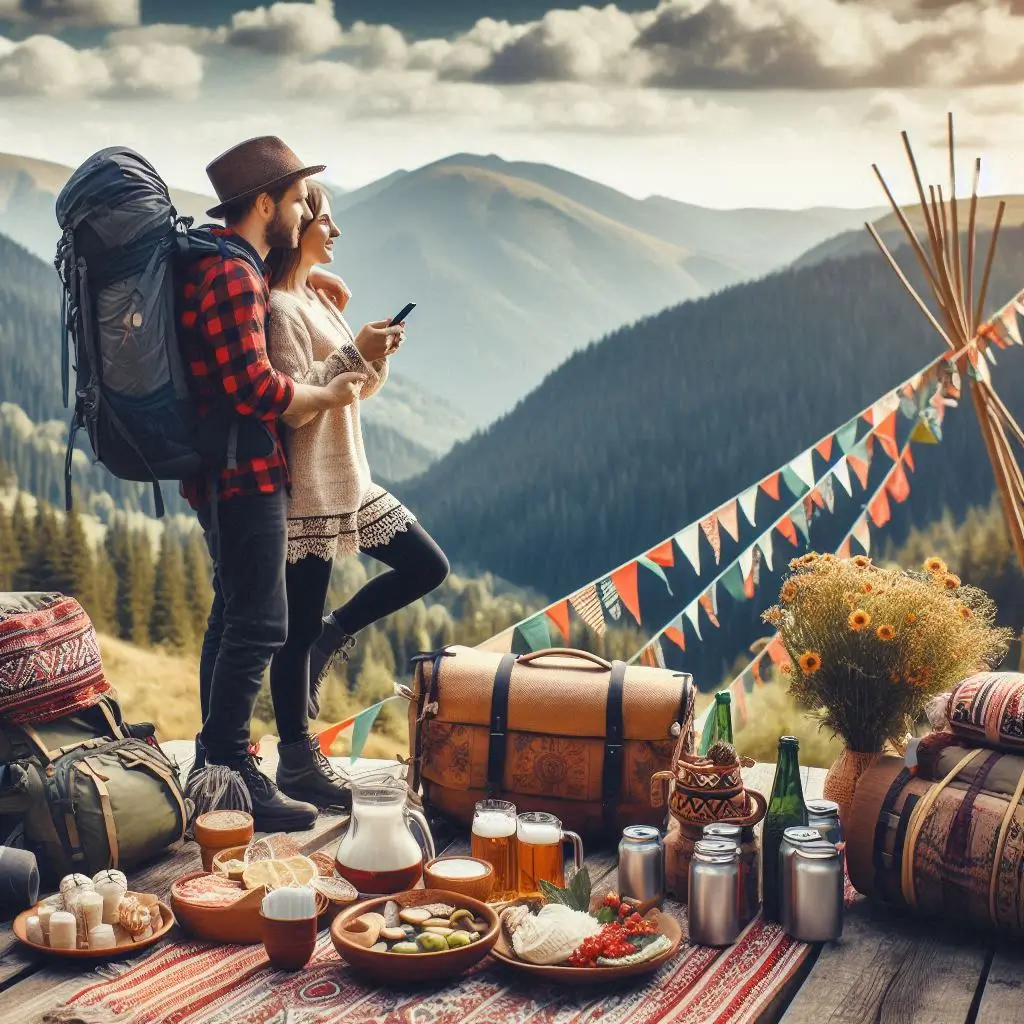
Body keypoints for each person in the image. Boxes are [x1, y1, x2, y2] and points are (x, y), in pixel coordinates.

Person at [179, 137, 364, 832]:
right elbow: (254, 389)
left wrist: (312, 286)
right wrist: (328, 394)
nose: (301, 211)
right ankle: (229, 769)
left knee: (233, 615)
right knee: (260, 622)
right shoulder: (231, 275)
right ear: (263, 203)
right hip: (242, 472)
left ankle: (216, 769)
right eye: (294, 200)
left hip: (226, 469)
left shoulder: (233, 268)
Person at [265, 184, 450, 798]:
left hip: (352, 478)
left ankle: (335, 630)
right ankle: (296, 760)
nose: (336, 230)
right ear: (299, 230)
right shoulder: (280, 309)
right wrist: (354, 351)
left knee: (428, 564)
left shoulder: (317, 298)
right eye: (325, 219)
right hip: (311, 490)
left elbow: (354, 388)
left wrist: (375, 353)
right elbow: (293, 399)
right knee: (292, 638)